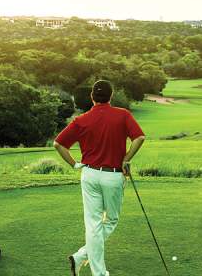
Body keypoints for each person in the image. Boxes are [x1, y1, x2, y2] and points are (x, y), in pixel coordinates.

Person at [53, 80, 146, 276]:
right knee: (110, 221)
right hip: (113, 176)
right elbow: (140, 137)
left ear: (92, 97)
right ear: (111, 96)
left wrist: (74, 164)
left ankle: (82, 257)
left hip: (89, 175)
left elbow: (58, 144)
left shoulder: (82, 119)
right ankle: (98, 272)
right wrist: (126, 158)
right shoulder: (123, 115)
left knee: (93, 224)